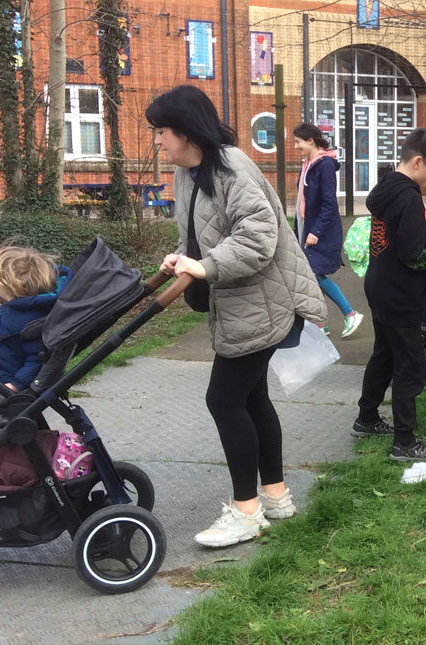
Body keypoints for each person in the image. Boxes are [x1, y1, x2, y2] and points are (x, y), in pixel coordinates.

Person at [147, 85, 328, 547]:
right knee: (250, 399)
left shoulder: (231, 167)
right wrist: (183, 258)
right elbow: (206, 232)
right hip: (240, 303)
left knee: (224, 400)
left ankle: (247, 511)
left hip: (263, 304)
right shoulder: (188, 173)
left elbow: (258, 236)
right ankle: (276, 495)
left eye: (162, 132)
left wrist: (205, 266)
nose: (158, 141)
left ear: (186, 132)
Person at [351, 128, 426, 461]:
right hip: (400, 293)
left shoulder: (385, 188)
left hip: (379, 284)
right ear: (419, 161)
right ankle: (405, 442)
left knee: (384, 354)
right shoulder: (409, 196)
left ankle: (367, 418)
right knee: (409, 366)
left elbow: (397, 240)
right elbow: (413, 256)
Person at [292, 123, 364, 339]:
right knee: (310, 275)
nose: (296, 147)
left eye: (298, 142)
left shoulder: (323, 166)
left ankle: (348, 314)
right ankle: (321, 323)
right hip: (307, 229)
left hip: (320, 231)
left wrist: (316, 231)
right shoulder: (308, 164)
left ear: (310, 141)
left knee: (313, 274)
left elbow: (329, 203)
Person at [0, 246, 71, 411]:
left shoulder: (30, 321)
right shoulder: (19, 308)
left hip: (1, 382)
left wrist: (14, 386)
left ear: (7, 285)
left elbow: (36, 359)